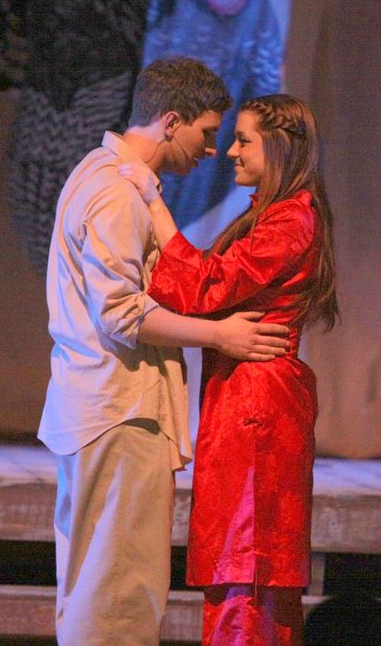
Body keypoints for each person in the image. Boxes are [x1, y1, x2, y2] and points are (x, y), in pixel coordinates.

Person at [38, 57, 291, 646]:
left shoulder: (103, 176)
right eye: (207, 133)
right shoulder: (115, 193)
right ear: (171, 121)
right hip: (120, 411)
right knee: (119, 592)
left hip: (103, 407)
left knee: (98, 585)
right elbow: (121, 312)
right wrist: (219, 335)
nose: (212, 150)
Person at [121, 93, 339, 645]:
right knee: (240, 562)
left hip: (258, 403)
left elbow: (206, 286)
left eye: (244, 140)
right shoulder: (273, 213)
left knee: (248, 563)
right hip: (246, 394)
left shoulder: (291, 219)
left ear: (279, 147)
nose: (232, 152)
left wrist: (153, 203)